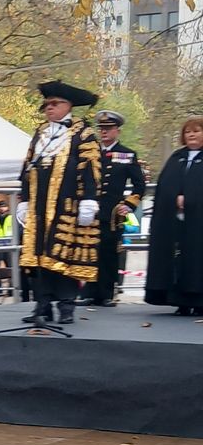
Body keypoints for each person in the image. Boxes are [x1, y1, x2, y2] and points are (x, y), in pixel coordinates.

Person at [17, 81, 102, 325]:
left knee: (64, 256)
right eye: (47, 104)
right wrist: (24, 199)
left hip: (67, 206)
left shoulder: (83, 134)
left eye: (55, 104)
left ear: (69, 106)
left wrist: (88, 199)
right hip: (39, 207)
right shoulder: (40, 132)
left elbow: (91, 169)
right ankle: (42, 305)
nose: (49, 108)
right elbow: (27, 167)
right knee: (38, 257)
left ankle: (66, 305)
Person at [82, 110, 146, 306]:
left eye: (108, 129)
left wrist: (128, 205)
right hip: (90, 211)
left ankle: (107, 294)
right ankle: (89, 293)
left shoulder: (127, 154)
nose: (104, 132)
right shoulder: (90, 154)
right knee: (89, 252)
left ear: (117, 130)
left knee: (109, 253)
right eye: (101, 129)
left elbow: (139, 185)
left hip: (111, 214)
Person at [145, 116, 203, 314]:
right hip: (176, 221)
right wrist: (173, 199)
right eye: (188, 132)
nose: (192, 135)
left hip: (198, 223)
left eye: (196, 131)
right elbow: (165, 186)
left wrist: (190, 200)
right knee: (177, 258)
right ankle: (181, 300)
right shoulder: (177, 157)